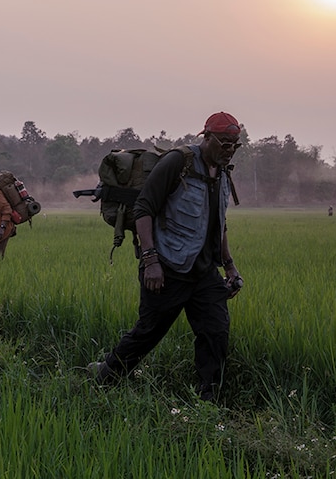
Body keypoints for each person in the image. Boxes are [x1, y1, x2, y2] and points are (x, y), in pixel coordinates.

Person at [89, 111, 244, 401]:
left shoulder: (223, 172)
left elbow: (219, 222)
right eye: (224, 143)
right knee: (148, 333)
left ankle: (208, 401)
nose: (230, 150)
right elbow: (144, 208)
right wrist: (151, 261)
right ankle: (104, 377)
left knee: (216, 334)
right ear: (206, 137)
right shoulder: (179, 162)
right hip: (168, 268)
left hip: (205, 273)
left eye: (235, 144)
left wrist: (230, 266)